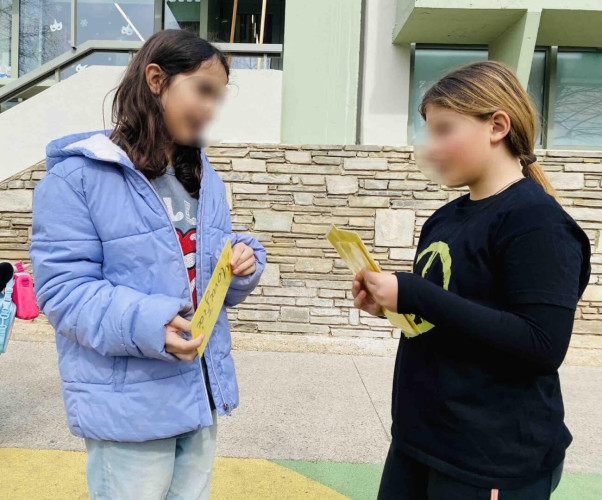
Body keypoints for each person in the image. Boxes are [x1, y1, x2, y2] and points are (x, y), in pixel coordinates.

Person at [30, 30, 266, 500]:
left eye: (218, 98)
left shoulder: (205, 178)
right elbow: (64, 292)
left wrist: (241, 262)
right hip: (128, 405)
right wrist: (151, 325)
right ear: (156, 80)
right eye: (203, 90)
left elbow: (205, 274)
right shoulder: (76, 178)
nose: (210, 109)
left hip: (199, 394)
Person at [352, 61, 591, 499]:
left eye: (444, 130)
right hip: (420, 442)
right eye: (428, 132)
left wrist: (415, 293)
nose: (432, 147)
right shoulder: (444, 219)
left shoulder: (537, 222)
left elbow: (542, 345)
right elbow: (449, 314)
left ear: (497, 126)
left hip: (490, 460)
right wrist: (392, 305)